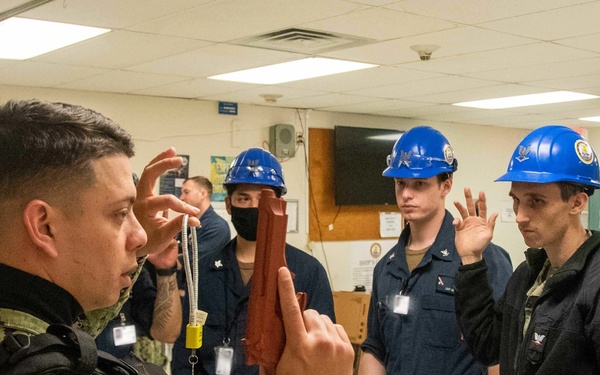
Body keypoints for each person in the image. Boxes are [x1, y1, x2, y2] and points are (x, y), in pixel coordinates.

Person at [0, 99, 353, 375]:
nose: (140, 236)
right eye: (121, 214)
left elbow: (69, 320)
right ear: (44, 225)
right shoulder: (44, 362)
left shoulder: (32, 337)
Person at [359, 126, 513, 375]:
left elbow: (501, 353)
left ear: (446, 185)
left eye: (419, 184)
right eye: (400, 183)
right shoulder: (386, 267)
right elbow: (375, 348)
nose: (406, 195)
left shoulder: (483, 259)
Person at [171, 147, 336, 375]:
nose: (254, 207)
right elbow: (184, 353)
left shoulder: (308, 271)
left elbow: (323, 353)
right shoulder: (203, 270)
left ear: (279, 205)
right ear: (229, 205)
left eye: (263, 199)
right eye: (244, 198)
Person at [453, 125, 600, 375]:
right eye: (516, 200)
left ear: (577, 203)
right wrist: (471, 258)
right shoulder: (527, 275)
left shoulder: (594, 284)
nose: (520, 216)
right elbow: (487, 347)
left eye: (536, 202)